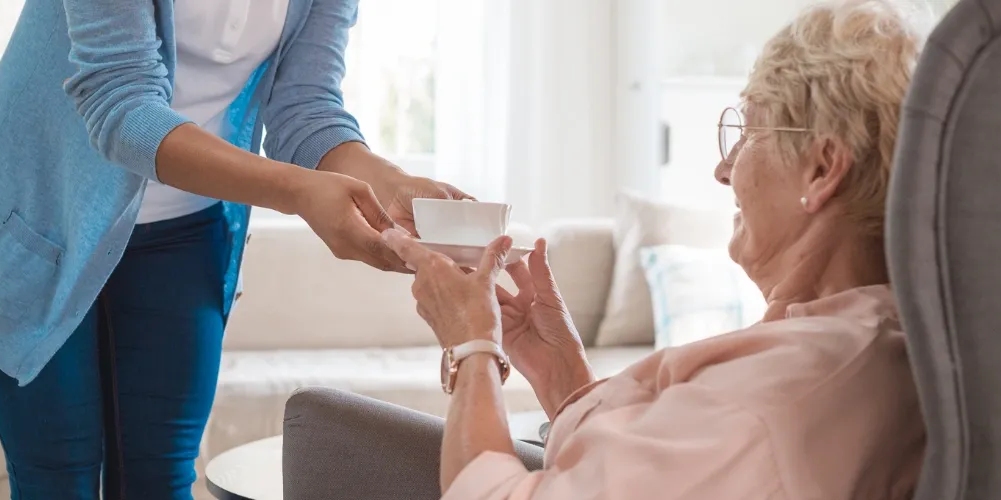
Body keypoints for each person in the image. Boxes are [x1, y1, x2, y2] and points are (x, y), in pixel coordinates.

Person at [378, 0, 927, 498]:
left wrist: (472, 345)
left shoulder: (773, 400)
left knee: (336, 429)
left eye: (750, 132)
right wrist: (559, 371)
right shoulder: (868, 339)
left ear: (822, 168)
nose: (723, 168)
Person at [0, 0, 467, 498]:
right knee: (57, 479)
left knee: (161, 476)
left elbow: (305, 105)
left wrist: (389, 183)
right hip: (37, 214)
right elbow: (120, 105)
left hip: (185, 226)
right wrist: (299, 193)